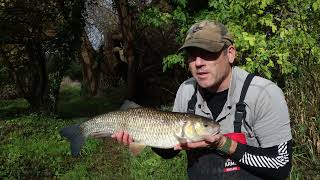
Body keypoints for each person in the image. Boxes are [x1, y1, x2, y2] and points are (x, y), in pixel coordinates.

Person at [112, 20, 293, 180]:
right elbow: (170, 150)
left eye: (207, 52)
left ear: (230, 54)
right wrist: (145, 135)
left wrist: (224, 144)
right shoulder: (186, 90)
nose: (198, 62)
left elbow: (280, 166)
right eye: (192, 55)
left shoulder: (264, 94)